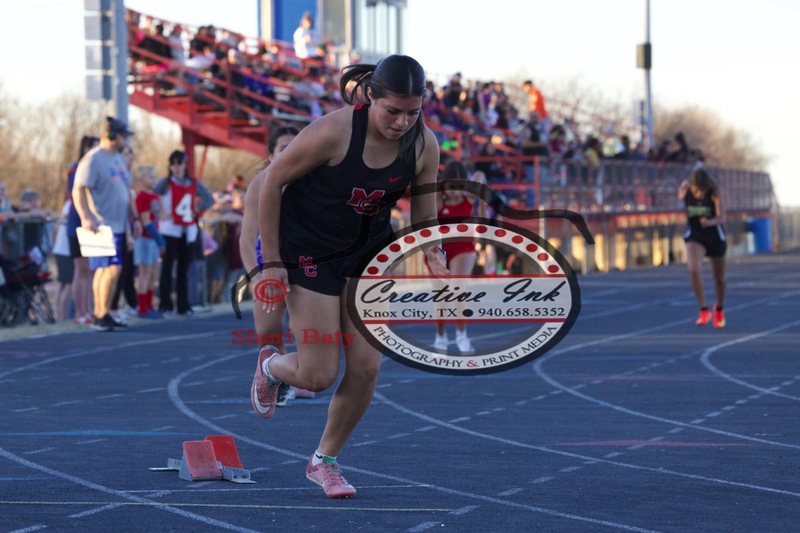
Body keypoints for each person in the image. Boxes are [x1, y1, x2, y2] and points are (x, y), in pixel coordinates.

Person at [252, 55, 447, 499]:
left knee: (366, 368)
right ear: (370, 97)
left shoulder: (423, 145)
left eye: (412, 113)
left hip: (367, 257)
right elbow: (272, 181)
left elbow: (424, 216)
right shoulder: (334, 131)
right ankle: (270, 366)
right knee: (318, 375)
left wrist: (432, 252)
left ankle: (325, 461)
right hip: (310, 253)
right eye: (392, 111)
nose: (401, 122)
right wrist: (273, 260)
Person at [239, 126, 305, 406]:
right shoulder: (260, 184)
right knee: (268, 332)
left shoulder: (313, 180)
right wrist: (256, 277)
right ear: (270, 154)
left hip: (305, 262)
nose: (289, 153)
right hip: (268, 263)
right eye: (283, 148)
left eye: (294, 147)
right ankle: (275, 375)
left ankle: (301, 374)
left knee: (309, 333)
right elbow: (246, 237)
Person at [73, 117, 141, 332]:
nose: (126, 141)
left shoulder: (118, 159)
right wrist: (85, 217)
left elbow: (126, 194)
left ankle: (105, 313)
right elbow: (78, 189)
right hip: (101, 223)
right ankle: (100, 313)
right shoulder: (93, 159)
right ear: (111, 136)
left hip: (120, 225)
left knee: (112, 269)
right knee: (108, 268)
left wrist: (134, 221)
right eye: (123, 136)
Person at [432, 160, 487, 354]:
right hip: (440, 249)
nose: (455, 192)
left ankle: (462, 335)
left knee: (458, 286)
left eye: (458, 187)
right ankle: (440, 336)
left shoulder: (469, 197)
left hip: (464, 247)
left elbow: (480, 173)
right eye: (451, 186)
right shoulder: (439, 197)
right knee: (441, 297)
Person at [154, 150, 214, 316]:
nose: (176, 167)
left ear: (185, 164)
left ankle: (183, 305)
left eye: (179, 163)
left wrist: (196, 209)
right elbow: (151, 197)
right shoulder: (164, 183)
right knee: (166, 268)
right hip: (169, 230)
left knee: (183, 269)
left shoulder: (193, 183)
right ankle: (165, 304)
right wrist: (159, 212)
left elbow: (209, 199)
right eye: (173, 163)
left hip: (187, 231)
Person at [678, 168, 727, 328]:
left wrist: (710, 221)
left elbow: (722, 217)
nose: (698, 193)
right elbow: (681, 199)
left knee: (718, 277)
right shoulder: (686, 190)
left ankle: (719, 309)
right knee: (693, 269)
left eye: (701, 190)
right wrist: (682, 193)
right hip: (695, 234)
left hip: (713, 233)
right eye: (695, 190)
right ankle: (703, 310)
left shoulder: (715, 190)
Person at [67, 135, 100, 325]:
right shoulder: (77, 171)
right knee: (81, 271)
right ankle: (80, 311)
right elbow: (77, 197)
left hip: (91, 227)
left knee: (89, 270)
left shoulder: (93, 170)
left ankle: (88, 310)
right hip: (77, 226)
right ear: (86, 148)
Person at [133, 165, 165, 318]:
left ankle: (150, 305)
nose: (153, 180)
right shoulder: (142, 197)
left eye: (154, 177)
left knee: (153, 273)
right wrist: (159, 239)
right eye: (150, 177)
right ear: (142, 179)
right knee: (144, 273)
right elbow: (146, 221)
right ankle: (142, 307)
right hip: (145, 239)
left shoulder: (154, 196)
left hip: (153, 239)